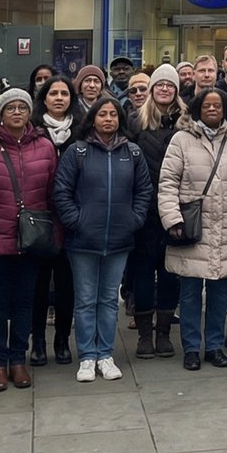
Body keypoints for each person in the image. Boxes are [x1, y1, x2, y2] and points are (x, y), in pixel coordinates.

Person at [0, 89, 58, 392]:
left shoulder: (45, 147)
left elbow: (54, 196)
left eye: (22, 107)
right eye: (10, 108)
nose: (16, 112)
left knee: (25, 303)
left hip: (32, 241)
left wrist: (55, 237)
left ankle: (18, 360)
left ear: (30, 112)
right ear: (0, 114)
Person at [56, 94, 152, 383]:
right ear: (93, 119)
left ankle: (105, 354)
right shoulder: (78, 151)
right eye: (103, 114)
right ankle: (87, 356)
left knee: (109, 300)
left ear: (120, 119)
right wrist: (77, 221)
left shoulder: (132, 152)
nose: (108, 119)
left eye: (113, 114)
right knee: (85, 299)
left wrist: (133, 220)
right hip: (83, 240)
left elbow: (144, 191)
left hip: (119, 239)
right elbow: (62, 192)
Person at [160, 88, 227, 369]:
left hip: (226, 226)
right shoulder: (181, 140)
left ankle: (214, 346)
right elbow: (167, 183)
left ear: (226, 109)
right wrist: (172, 218)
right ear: (197, 109)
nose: (212, 109)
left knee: (219, 292)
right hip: (191, 227)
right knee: (189, 293)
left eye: (217, 105)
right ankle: (190, 348)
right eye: (206, 105)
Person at [130, 65, 185, 357]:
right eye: (159, 85)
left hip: (175, 210)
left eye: (170, 85)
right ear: (151, 90)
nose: (165, 89)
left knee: (169, 273)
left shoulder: (186, 123)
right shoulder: (136, 121)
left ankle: (163, 332)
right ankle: (143, 334)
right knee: (142, 274)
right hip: (143, 211)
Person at [30, 76, 81, 366]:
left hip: (71, 218)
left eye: (64, 93)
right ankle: (37, 342)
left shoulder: (81, 131)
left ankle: (62, 340)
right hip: (39, 217)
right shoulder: (33, 130)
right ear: (44, 99)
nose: (59, 98)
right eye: (53, 93)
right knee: (38, 285)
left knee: (66, 284)